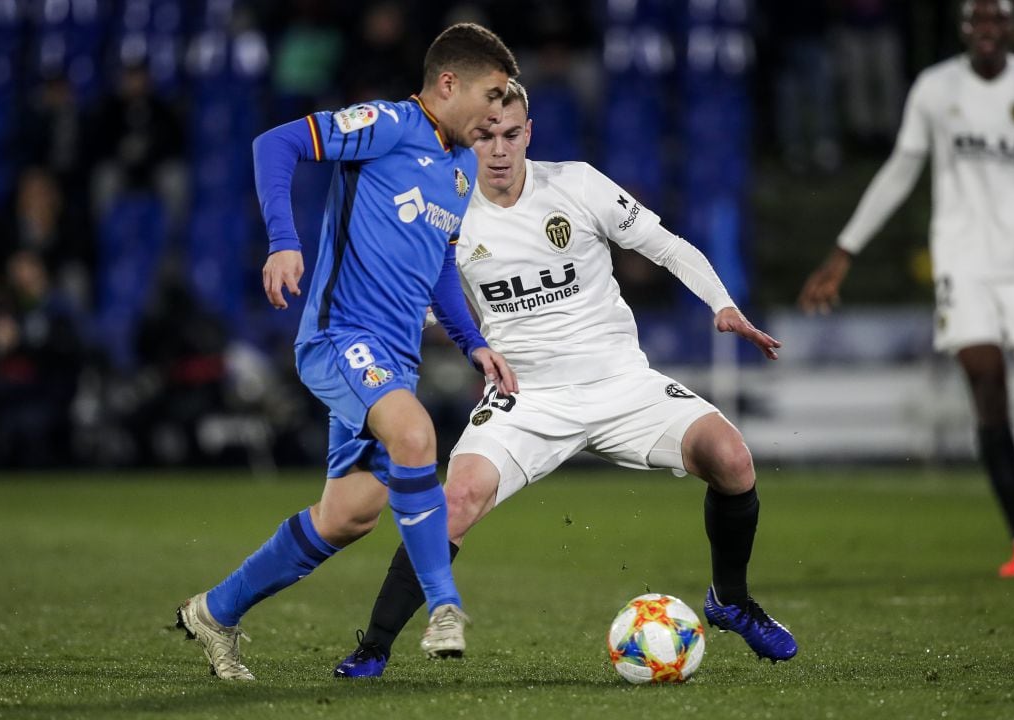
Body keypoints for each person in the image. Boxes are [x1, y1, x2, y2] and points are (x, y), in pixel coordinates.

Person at [333, 79, 798, 679]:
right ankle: (373, 647)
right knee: (456, 502)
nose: (498, 150)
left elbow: (667, 247)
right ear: (464, 137)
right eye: (483, 136)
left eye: (509, 135)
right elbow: (427, 304)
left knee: (732, 459)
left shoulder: (576, 183)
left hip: (621, 383)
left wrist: (722, 305)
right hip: (525, 397)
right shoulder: (445, 212)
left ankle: (730, 601)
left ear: (529, 133)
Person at [175, 23, 520, 680]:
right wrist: (284, 238)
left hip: (393, 359)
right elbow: (273, 143)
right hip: (341, 338)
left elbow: (441, 264)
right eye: (492, 93)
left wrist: (474, 344)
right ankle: (445, 605)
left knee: (349, 515)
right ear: (449, 83)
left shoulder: (461, 167)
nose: (499, 111)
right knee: (416, 435)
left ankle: (214, 613)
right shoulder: (388, 123)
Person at [799, 0, 1014, 577]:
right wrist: (845, 251)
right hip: (963, 263)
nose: (986, 31)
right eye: (975, 21)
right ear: (963, 28)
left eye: (997, 21)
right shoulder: (936, 89)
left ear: (1010, 27)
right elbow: (900, 170)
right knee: (986, 380)